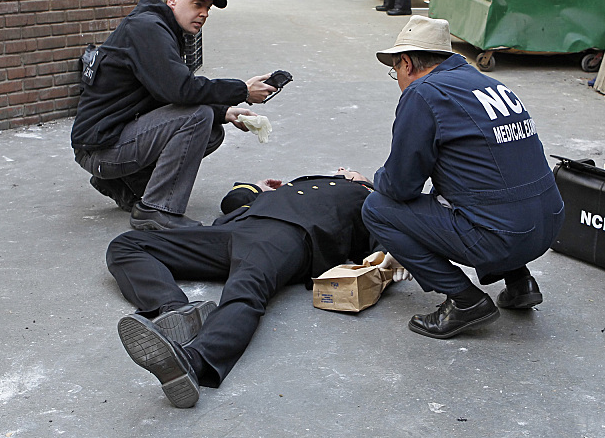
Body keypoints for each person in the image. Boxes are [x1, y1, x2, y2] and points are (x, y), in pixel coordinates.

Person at [106, 168, 409, 408]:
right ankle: (175, 310)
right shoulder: (293, 185)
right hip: (232, 230)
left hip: (285, 235)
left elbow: (380, 251)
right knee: (128, 244)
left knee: (245, 289)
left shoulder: (366, 199)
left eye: (351, 171)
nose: (342, 170)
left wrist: (391, 262)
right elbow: (231, 203)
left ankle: (193, 363)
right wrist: (255, 189)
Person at [361, 16, 565, 339]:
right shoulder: (484, 83)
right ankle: (519, 282)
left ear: (407, 63)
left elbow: (401, 186)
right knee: (487, 187)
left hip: (504, 235)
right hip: (549, 223)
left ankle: (465, 300)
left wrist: (375, 179)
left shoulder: (422, 94)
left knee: (376, 208)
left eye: (395, 71)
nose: (397, 78)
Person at [71, 0, 277, 231]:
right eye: (197, 4)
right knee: (198, 116)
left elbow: (163, 93)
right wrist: (242, 90)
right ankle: (157, 209)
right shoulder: (148, 29)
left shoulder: (161, 27)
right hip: (101, 149)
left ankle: (123, 183)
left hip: (109, 142)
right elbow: (180, 90)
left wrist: (226, 112)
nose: (203, 13)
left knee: (211, 130)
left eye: (208, 8)